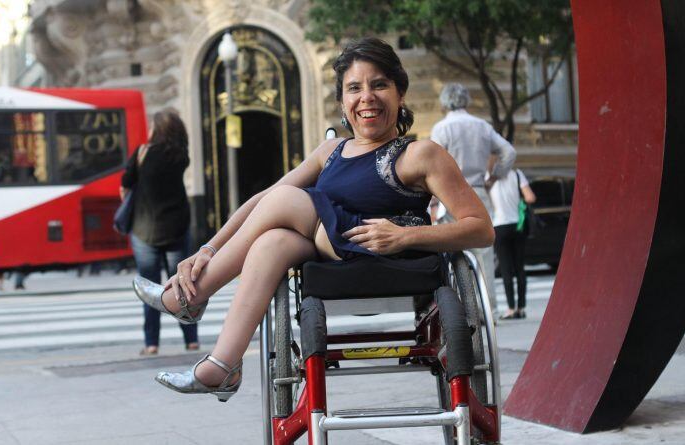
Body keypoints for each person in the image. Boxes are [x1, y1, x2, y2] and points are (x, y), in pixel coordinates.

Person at [133, 37, 494, 400]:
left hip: (386, 252)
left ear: (400, 93)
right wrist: (207, 248)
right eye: (354, 88)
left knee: (288, 199)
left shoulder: (421, 153)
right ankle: (223, 365)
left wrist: (404, 236)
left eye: (379, 84)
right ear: (342, 102)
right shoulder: (331, 150)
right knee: (272, 241)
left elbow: (481, 229)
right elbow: (262, 200)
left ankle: (191, 298)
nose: (366, 97)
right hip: (331, 250)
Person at [430, 83, 516, 313]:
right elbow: (509, 152)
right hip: (478, 191)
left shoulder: (441, 128)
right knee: (484, 254)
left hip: (450, 195)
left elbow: (432, 166)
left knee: (449, 249)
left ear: (445, 102)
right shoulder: (481, 126)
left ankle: (458, 309)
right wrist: (495, 176)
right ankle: (491, 310)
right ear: (465, 100)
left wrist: (433, 200)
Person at [121, 108, 199, 356]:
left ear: (156, 130)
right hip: (176, 228)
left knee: (149, 288)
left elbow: (125, 184)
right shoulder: (180, 156)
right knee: (182, 286)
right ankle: (191, 339)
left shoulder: (143, 153)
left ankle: (151, 343)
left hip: (145, 231)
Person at [488, 168, 536, 319]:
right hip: (517, 224)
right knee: (519, 267)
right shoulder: (517, 174)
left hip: (499, 225)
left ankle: (510, 308)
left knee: (505, 268)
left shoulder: (488, 176)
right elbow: (530, 197)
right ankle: (521, 308)